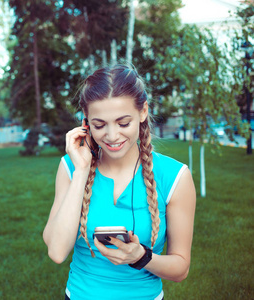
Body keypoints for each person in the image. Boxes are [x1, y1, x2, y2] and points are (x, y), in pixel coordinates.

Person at [42, 64, 196, 300]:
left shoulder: (175, 176)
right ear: (85, 123)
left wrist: (140, 257)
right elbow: (56, 251)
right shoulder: (71, 167)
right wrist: (82, 171)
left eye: (123, 123)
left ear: (143, 111)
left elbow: (181, 269)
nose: (112, 136)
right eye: (99, 125)